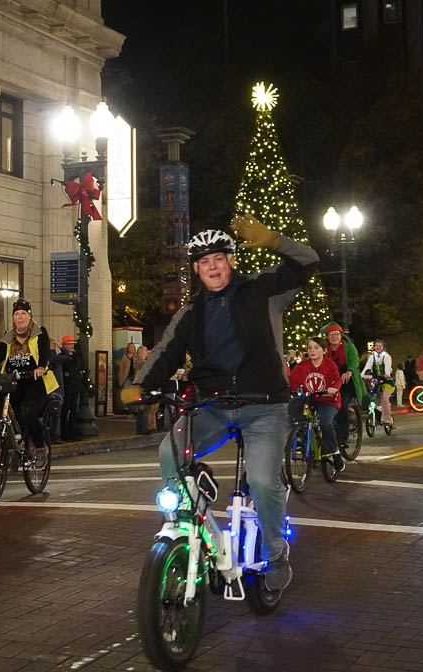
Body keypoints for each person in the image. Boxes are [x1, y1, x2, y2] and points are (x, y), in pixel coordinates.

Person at [122, 215, 320, 593]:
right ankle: (187, 520)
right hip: (210, 406)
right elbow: (166, 352)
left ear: (230, 261)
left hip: (264, 407)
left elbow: (308, 262)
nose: (212, 266)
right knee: (171, 451)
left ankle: (277, 552)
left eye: (219, 258)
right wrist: (140, 385)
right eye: (204, 261)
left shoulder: (262, 290)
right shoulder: (192, 311)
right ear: (197, 270)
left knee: (262, 482)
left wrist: (274, 240)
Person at [0, 299, 59, 467]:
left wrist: (40, 367)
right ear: (13, 318)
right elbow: (0, 354)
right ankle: (18, 444)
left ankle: (40, 447)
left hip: (35, 381)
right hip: (13, 381)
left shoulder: (39, 332)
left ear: (30, 316)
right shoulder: (9, 335)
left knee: (27, 412)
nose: (20, 317)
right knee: (6, 413)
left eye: (23, 313)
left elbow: (44, 353)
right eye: (16, 314)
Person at [289, 337, 344, 470]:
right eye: (310, 348)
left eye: (316, 347)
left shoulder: (329, 365)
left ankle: (335, 453)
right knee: (293, 411)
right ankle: (303, 438)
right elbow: (292, 381)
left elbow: (337, 379)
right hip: (311, 399)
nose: (312, 350)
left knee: (325, 422)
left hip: (328, 400)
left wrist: (334, 388)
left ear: (324, 351)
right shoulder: (302, 366)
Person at [323, 323, 366, 451]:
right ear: (327, 337)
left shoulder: (349, 347)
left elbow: (354, 361)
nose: (334, 337)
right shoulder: (324, 349)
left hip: (346, 381)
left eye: (336, 334)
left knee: (341, 405)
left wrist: (349, 371)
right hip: (331, 381)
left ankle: (344, 436)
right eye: (331, 335)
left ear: (341, 335)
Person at [361, 339, 395, 429]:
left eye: (380, 346)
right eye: (376, 346)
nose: (378, 347)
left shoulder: (387, 357)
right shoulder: (372, 357)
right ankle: (375, 412)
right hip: (376, 381)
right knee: (372, 396)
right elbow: (367, 367)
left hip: (387, 382)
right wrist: (361, 376)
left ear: (383, 347)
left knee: (384, 398)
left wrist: (386, 375)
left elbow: (387, 369)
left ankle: (388, 419)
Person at [56, 336, 82, 442]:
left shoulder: (76, 356)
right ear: (64, 345)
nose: (71, 346)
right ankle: (64, 433)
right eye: (69, 344)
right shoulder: (62, 357)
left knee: (73, 412)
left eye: (72, 344)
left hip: (75, 387)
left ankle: (72, 432)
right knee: (65, 411)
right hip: (66, 388)